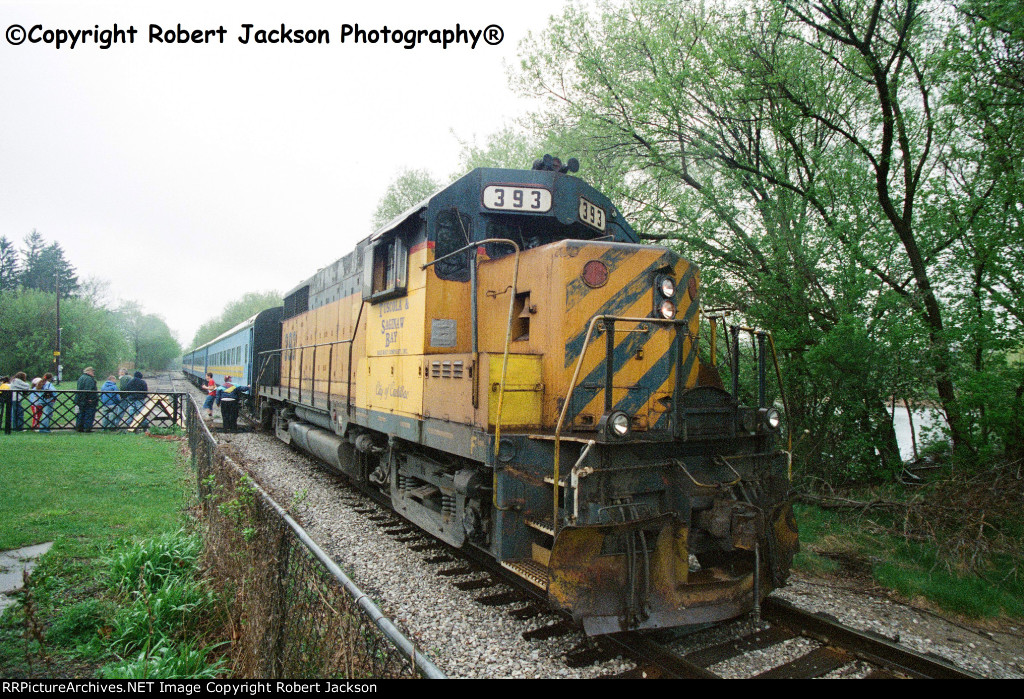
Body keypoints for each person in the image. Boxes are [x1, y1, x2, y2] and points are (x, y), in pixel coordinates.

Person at [74, 367, 99, 432]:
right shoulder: (89, 379)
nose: (93, 373)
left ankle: (79, 427)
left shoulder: (81, 378)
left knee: (80, 414)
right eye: (92, 371)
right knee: (89, 414)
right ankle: (87, 428)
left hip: (80, 399)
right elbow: (89, 389)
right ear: (89, 372)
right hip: (88, 400)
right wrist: (91, 399)